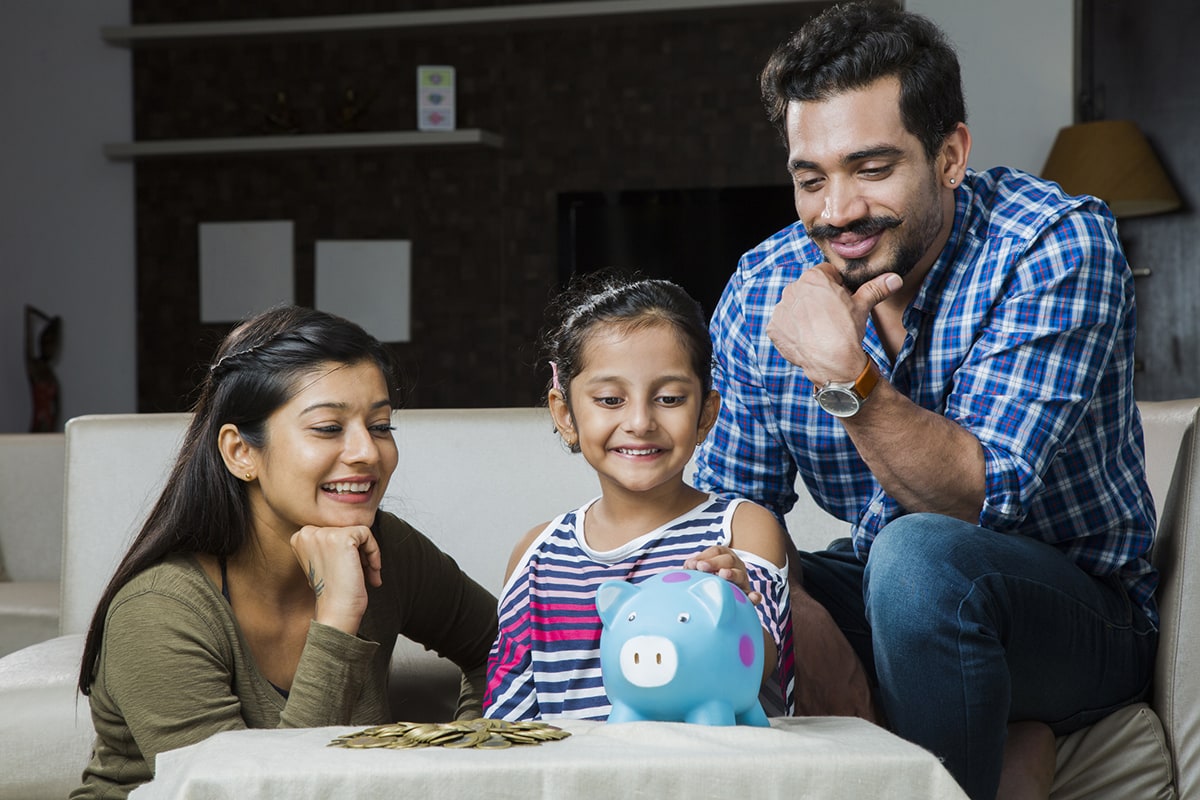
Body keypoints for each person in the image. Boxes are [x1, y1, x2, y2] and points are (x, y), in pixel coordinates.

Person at [692, 3, 1158, 799]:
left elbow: (977, 498)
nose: (836, 211)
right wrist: (786, 604)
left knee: (918, 560)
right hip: (891, 594)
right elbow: (733, 506)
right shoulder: (763, 286)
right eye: (812, 178)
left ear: (950, 155)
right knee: (719, 582)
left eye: (871, 168)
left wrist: (847, 380)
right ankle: (995, 751)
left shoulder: (1053, 246)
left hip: (1078, 613)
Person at [73, 306, 498, 799]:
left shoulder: (388, 548)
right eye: (328, 428)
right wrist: (339, 615)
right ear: (240, 453)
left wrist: (459, 761)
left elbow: (512, 643)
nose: (367, 451)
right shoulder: (158, 610)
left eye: (381, 426)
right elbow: (256, 795)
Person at [484, 275, 794, 722]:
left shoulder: (741, 529)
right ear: (564, 413)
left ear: (706, 413)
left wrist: (736, 608)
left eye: (669, 398)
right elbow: (507, 715)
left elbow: (759, 664)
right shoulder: (536, 555)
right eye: (610, 399)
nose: (640, 421)